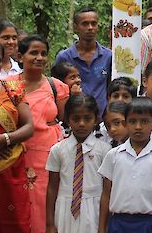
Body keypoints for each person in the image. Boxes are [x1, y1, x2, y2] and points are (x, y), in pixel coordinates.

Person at [6, 35, 69, 233]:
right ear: (19, 56)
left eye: (43, 54)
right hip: (16, 154)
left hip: (47, 157)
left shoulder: (56, 87)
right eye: (33, 53)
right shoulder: (7, 86)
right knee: (16, 203)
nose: (39, 57)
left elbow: (65, 120)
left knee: (45, 204)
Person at [98, 98, 152, 232]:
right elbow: (106, 194)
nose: (138, 126)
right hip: (118, 223)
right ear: (125, 123)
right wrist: (102, 228)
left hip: (149, 223)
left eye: (144, 121)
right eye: (132, 121)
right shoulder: (113, 155)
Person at [46, 94, 111, 233]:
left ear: (95, 119)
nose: (81, 123)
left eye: (87, 118)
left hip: (94, 207)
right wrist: (50, 224)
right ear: (68, 119)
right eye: (76, 118)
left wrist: (103, 226)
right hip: (65, 207)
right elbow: (52, 187)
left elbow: (107, 189)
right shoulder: (57, 150)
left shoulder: (104, 150)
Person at [0, 41, 33, 233]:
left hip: (11, 170)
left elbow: (28, 127)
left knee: (15, 224)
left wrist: (4, 140)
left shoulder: (13, 88)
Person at [55, 8, 111, 114]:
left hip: (102, 121)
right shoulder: (64, 57)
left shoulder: (108, 56)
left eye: (93, 23)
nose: (90, 28)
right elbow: (57, 91)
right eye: (85, 24)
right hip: (73, 119)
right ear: (76, 27)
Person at [95, 78, 136, 144]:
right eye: (116, 96)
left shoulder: (138, 128)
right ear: (109, 99)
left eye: (125, 96)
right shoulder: (101, 130)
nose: (120, 100)